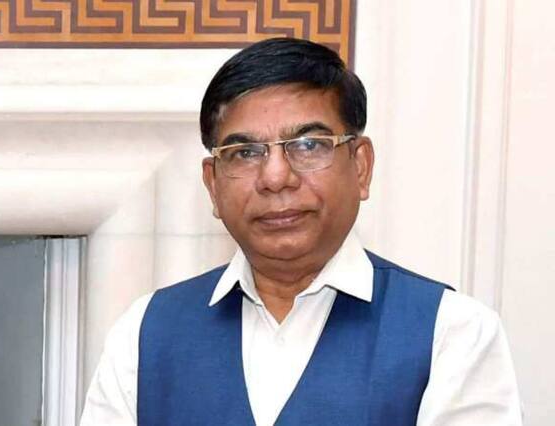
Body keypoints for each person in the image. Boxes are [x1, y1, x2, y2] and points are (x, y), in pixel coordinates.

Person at [80, 38, 522, 425]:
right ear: (212, 184)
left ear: (361, 166)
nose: (276, 177)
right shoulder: (145, 334)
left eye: (308, 145)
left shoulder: (451, 332)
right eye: (245, 152)